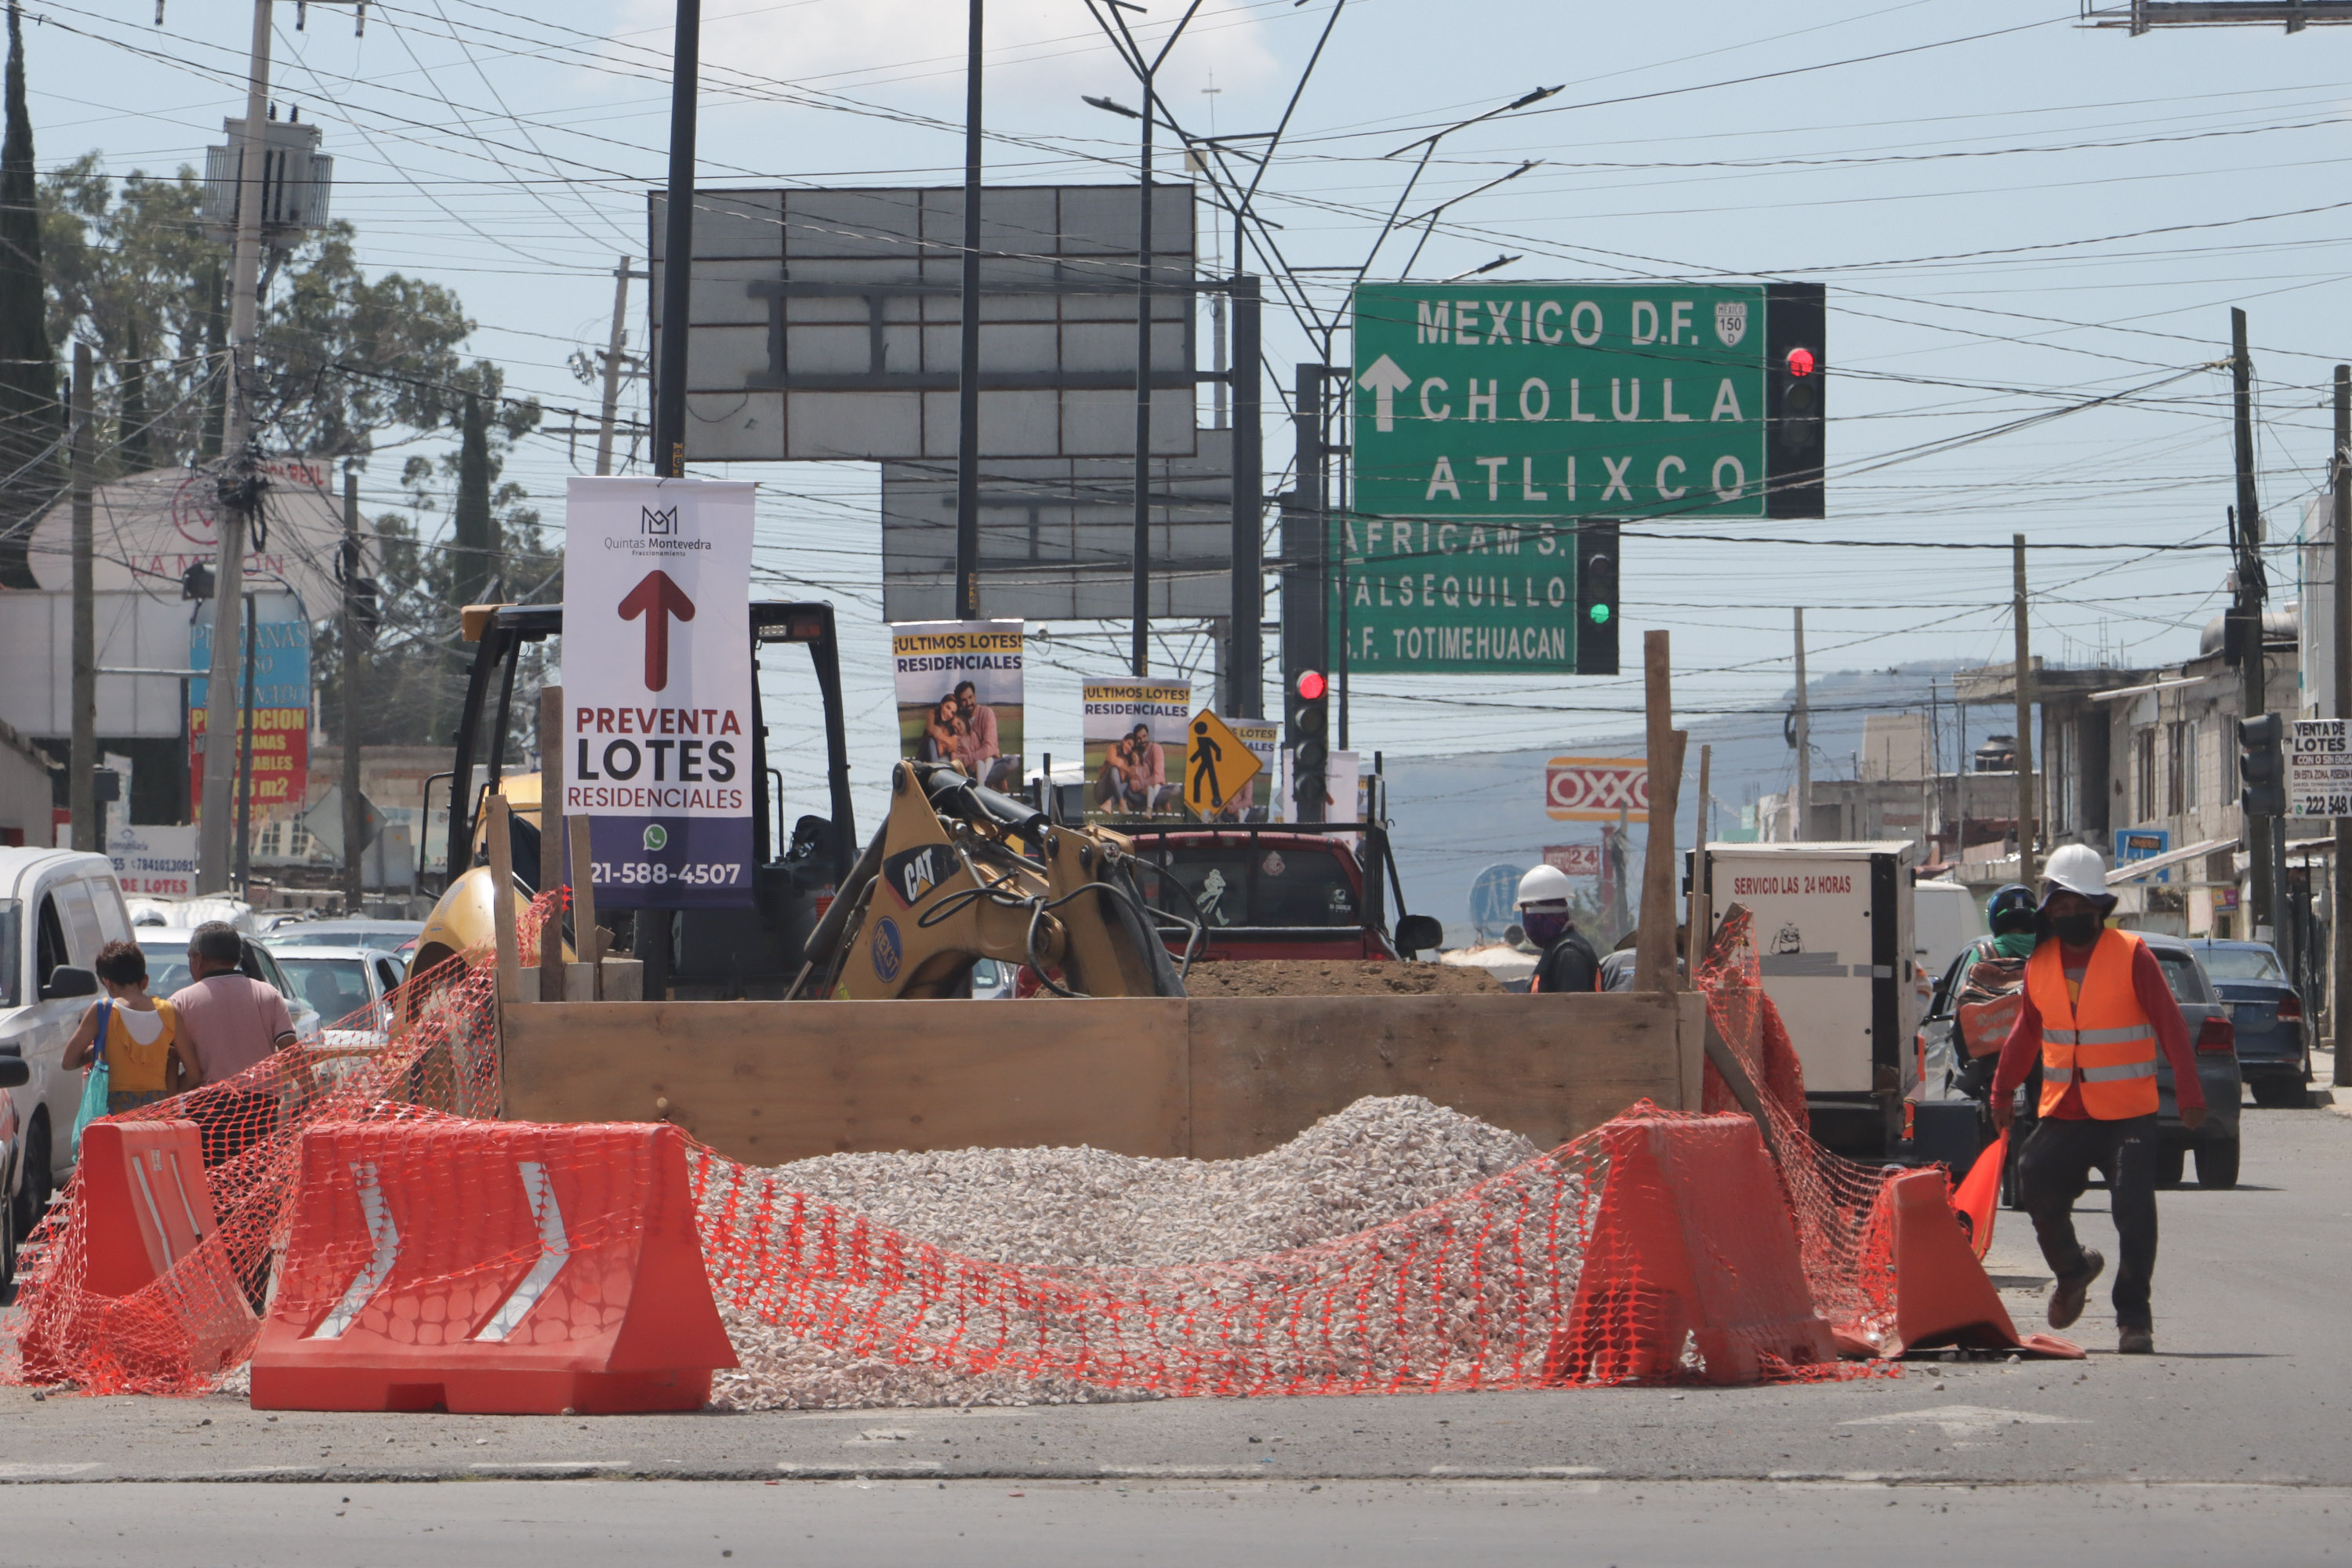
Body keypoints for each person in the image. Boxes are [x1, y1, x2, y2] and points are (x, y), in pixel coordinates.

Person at [1989, 843, 2205, 1355]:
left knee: (2134, 1209)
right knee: (2033, 1176)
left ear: (2098, 908)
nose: (2068, 914)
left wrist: (2191, 1090)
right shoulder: (2039, 963)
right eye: (2059, 906)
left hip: (2127, 1112)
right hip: (2065, 1108)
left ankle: (2134, 1318)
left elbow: (2171, 1026)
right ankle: (2073, 1268)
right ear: (2049, 911)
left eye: (2078, 905)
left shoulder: (2133, 956)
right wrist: (2002, 1091)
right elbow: (2025, 1034)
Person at [169, 922, 297, 1167]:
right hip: (260, 1108)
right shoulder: (268, 994)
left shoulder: (181, 1002)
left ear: (197, 958)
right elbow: (290, 1048)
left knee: (215, 1182)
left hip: (208, 1109)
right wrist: (314, 1094)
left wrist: (167, 1098)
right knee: (256, 1178)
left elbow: (171, 1059)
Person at [61, 939, 194, 1116]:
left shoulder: (103, 1010)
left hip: (113, 1118)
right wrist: (167, 1098)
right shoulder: (170, 1012)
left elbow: (68, 1062)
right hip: (157, 1117)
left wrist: (100, 1048)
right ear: (145, 981)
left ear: (107, 982)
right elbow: (194, 1073)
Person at [1517, 865, 1600, 993]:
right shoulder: (1557, 950)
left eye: (1526, 912)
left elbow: (1571, 1009)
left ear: (1542, 914)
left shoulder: (1568, 954)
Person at [951, 681, 1000, 780]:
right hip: (967, 767)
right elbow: (954, 755)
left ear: (975, 696)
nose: (968, 703)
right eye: (964, 700)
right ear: (959, 702)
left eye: (970, 697)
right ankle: (982, 783)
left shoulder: (987, 713)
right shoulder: (957, 719)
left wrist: (966, 759)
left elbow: (989, 748)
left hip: (985, 761)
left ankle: (979, 783)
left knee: (1011, 761)